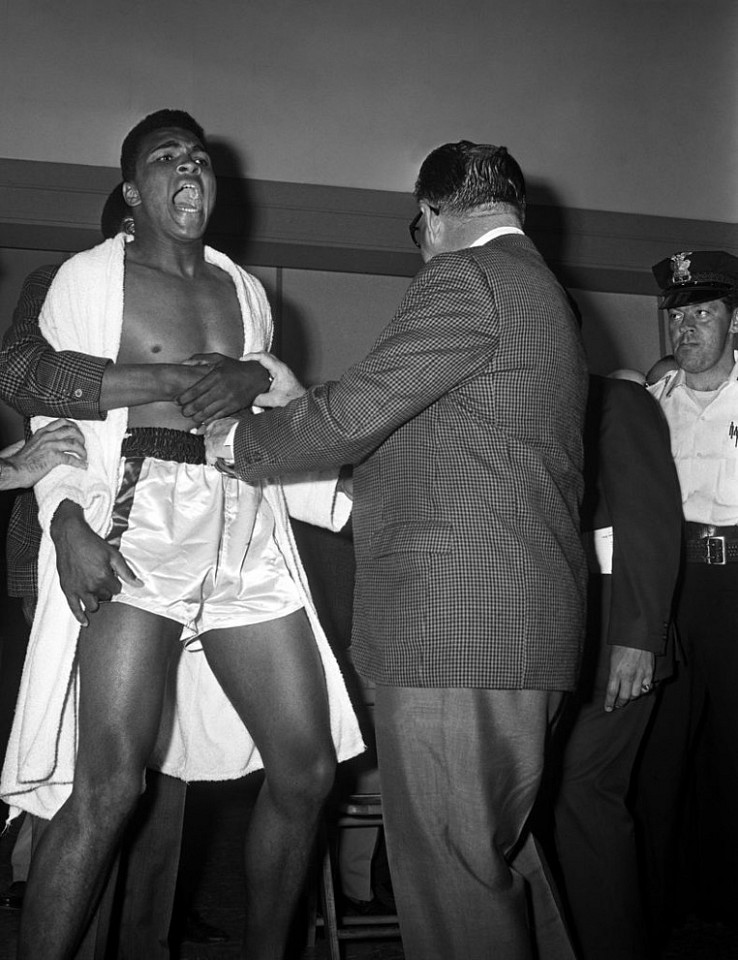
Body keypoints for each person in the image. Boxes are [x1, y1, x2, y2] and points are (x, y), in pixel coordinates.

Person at [208, 140, 589, 960]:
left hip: (457, 636)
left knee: (453, 889)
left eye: (415, 227)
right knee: (495, 861)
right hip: (514, 629)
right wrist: (304, 402)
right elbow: (442, 450)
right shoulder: (538, 293)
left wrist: (242, 440)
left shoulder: (466, 277)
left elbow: (359, 415)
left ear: (433, 214)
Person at [0, 109, 363, 960]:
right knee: (110, 785)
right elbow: (51, 411)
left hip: (240, 519)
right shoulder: (86, 281)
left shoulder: (245, 289)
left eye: (198, 156)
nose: (187, 167)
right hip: (136, 521)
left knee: (307, 770)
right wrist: (66, 521)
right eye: (166, 157)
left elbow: (276, 408)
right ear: (133, 188)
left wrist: (259, 377)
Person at [0, 186, 226, 957]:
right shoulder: (65, 284)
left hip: (187, 545)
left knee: (162, 763)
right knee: (81, 770)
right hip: (78, 542)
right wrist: (64, 521)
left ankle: (146, 939)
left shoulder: (221, 294)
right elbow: (28, 387)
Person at [548, 373, 682, 960]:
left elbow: (647, 521)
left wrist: (638, 639)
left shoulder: (615, 399)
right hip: (557, 636)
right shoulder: (531, 398)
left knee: (584, 790)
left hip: (615, 636)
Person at [636, 250, 738, 942]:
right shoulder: (655, 400)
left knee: (732, 750)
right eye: (678, 314)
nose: (688, 326)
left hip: (736, 584)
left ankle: (728, 898)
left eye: (704, 311)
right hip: (672, 580)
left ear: (735, 321)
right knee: (661, 748)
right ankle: (658, 904)